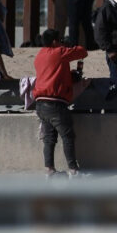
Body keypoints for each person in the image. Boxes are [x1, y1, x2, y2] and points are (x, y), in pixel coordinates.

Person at [33, 29, 89, 177]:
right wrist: (69, 45)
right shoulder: (59, 52)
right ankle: (74, 171)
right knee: (67, 136)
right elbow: (83, 52)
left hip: (40, 104)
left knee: (49, 139)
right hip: (55, 104)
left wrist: (68, 76)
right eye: (60, 40)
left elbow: (52, 73)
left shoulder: (40, 55)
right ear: (54, 42)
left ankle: (49, 170)